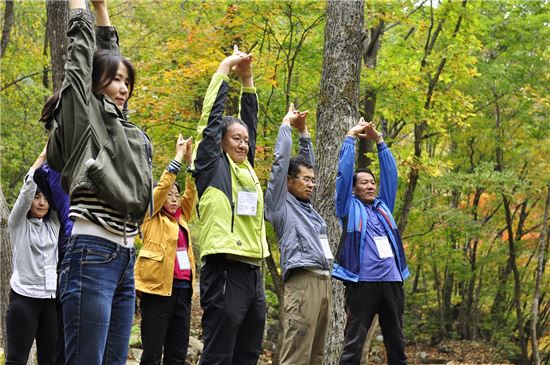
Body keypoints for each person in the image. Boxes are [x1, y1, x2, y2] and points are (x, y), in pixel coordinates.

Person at [46, 1, 152, 364]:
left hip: (124, 256)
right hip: (92, 253)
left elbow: (109, 57)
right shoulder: (85, 119)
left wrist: (101, 8)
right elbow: (80, 58)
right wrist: (80, 8)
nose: (124, 88)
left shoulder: (118, 126)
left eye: (127, 82)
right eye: (116, 80)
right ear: (95, 84)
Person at [192, 45, 269, 365]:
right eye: (236, 138)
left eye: (246, 140)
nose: (243, 143)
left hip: (254, 271)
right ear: (221, 141)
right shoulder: (211, 166)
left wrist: (248, 80)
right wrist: (224, 70)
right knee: (219, 355)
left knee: (248, 354)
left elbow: (249, 119)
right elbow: (209, 123)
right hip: (224, 268)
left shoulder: (246, 169)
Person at [334, 119, 410, 365]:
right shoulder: (348, 206)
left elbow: (391, 175)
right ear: (354, 190)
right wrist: (350, 138)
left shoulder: (383, 206)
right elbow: (343, 176)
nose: (370, 186)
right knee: (354, 341)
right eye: (364, 183)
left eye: (372, 182)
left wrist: (379, 141)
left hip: (392, 282)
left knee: (396, 341)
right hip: (363, 283)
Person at [264, 104, 332, 365]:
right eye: (305, 179)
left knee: (316, 356)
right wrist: (286, 127)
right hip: (302, 283)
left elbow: (308, 165)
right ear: (289, 181)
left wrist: (304, 133)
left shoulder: (307, 208)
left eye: (312, 180)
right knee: (298, 355)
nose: (310, 184)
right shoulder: (280, 204)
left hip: (323, 282)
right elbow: (281, 164)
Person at [134, 135, 196, 365]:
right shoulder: (151, 216)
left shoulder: (183, 218)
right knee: (151, 354)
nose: (173, 198)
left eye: (175, 195)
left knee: (177, 355)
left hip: (183, 291)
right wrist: (178, 157)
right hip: (157, 292)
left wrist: (190, 162)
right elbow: (160, 189)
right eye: (169, 194)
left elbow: (192, 191)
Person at [6, 147, 60, 365]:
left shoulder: (54, 224)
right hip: (24, 299)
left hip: (50, 301)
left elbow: (60, 194)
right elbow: (26, 190)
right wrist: (43, 156)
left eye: (45, 199)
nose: (41, 202)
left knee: (50, 360)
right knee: (17, 359)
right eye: (37, 198)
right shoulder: (17, 224)